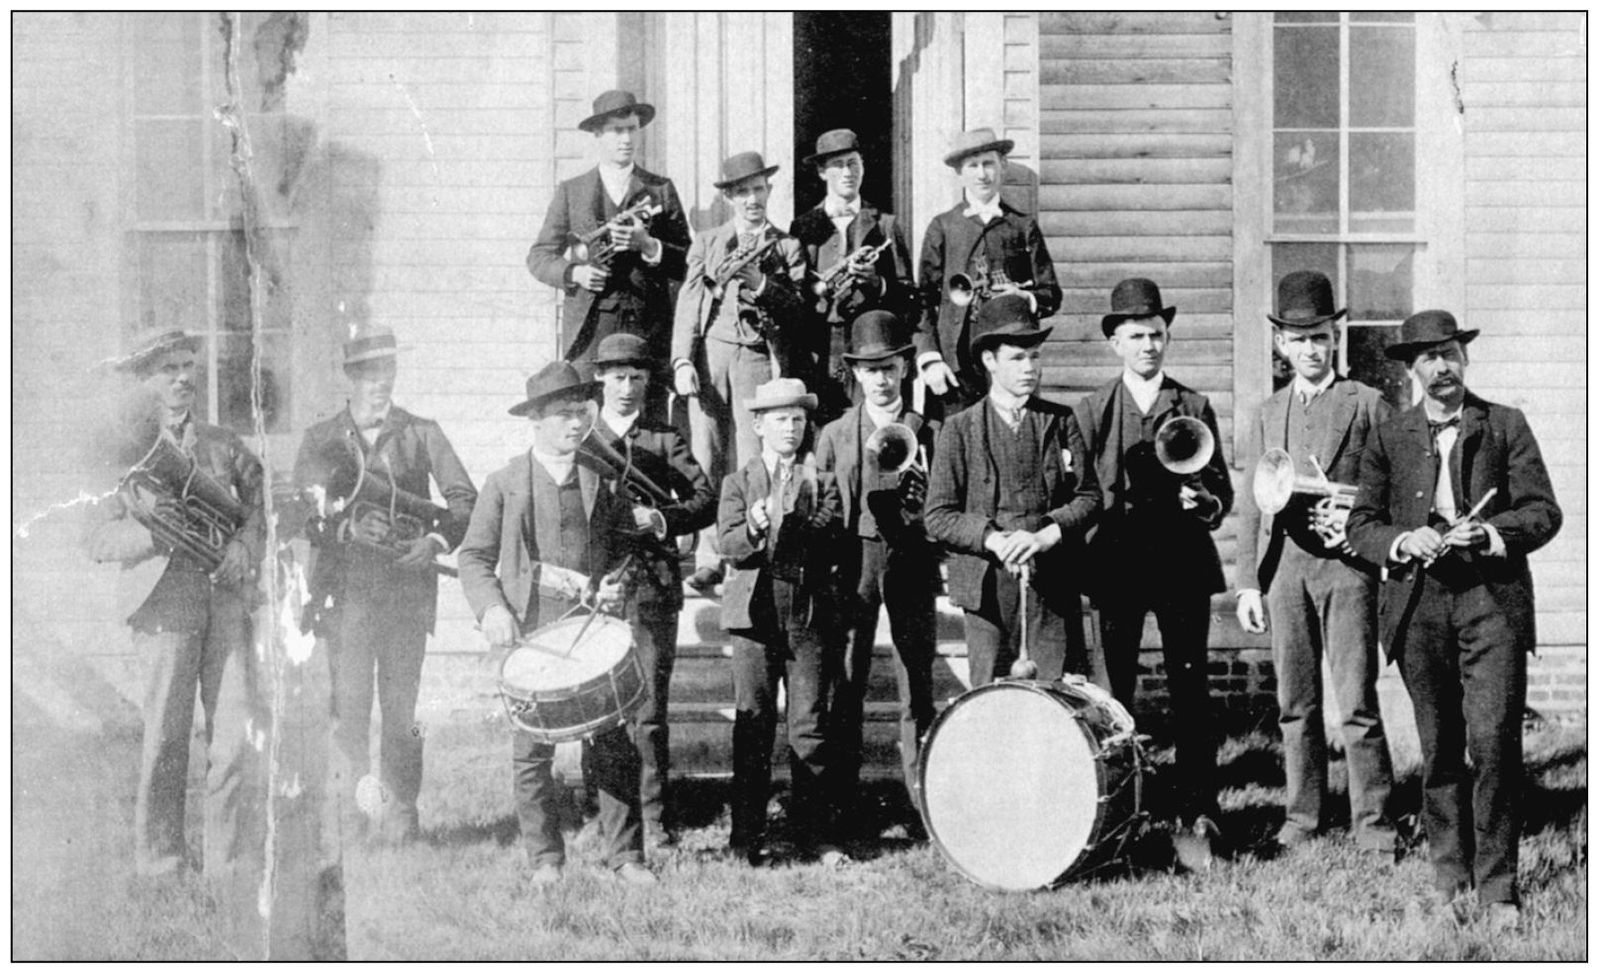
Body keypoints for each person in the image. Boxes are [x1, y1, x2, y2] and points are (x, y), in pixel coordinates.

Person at [1347, 310, 1560, 924]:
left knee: (1494, 744)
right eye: (1428, 358)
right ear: (1411, 370)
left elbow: (1544, 513)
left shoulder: (1505, 425)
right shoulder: (1389, 435)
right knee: (1440, 749)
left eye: (1450, 354)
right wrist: (1402, 540)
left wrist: (1491, 533)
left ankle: (1498, 888)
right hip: (1419, 607)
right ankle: (1448, 876)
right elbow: (1362, 525)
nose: (1441, 368)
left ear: (1464, 360)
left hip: (1490, 604)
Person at [458, 361, 656, 887]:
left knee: (614, 744)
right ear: (537, 421)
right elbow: (473, 558)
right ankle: (545, 859)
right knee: (531, 752)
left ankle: (627, 858)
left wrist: (618, 580)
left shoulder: (603, 479)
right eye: (565, 414)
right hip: (530, 630)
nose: (576, 423)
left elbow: (627, 549)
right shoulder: (504, 484)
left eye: (581, 412)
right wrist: (493, 610)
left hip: (592, 629)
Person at [83, 328, 266, 886]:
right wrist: (157, 537)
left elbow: (260, 509)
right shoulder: (116, 451)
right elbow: (94, 539)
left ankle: (227, 867)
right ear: (144, 381)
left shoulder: (224, 443)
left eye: (189, 365)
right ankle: (162, 866)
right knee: (165, 736)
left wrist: (242, 546)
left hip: (227, 599)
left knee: (234, 737)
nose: (184, 376)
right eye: (169, 369)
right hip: (164, 602)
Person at [1233, 271, 1397, 853]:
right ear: (1281, 344)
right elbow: (1253, 501)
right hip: (1285, 571)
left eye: (1320, 337)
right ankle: (1302, 819)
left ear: (1337, 338)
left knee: (1355, 701)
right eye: (1298, 338)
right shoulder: (1265, 411)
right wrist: (1248, 583)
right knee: (1294, 704)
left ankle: (1373, 823)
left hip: (1347, 570)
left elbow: (1394, 486)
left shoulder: (1368, 402)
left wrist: (1361, 529)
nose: (1310, 348)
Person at [293, 326, 477, 844]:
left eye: (387, 373)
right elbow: (301, 511)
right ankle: (353, 819)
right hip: (344, 599)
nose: (379, 384)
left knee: (405, 715)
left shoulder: (422, 432)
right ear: (350, 378)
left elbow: (466, 500)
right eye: (368, 374)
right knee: (348, 714)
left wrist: (436, 544)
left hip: (406, 597)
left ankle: (402, 816)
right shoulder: (321, 438)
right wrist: (342, 526)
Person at [1071, 278, 1233, 841]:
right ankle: (1121, 810)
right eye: (1137, 335)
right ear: (1115, 342)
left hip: (1182, 565)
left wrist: (1204, 501)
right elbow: (1081, 496)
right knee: (1114, 691)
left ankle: (1199, 810)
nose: (1149, 346)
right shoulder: (1092, 411)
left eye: (1157, 335)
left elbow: (1223, 496)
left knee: (1191, 689)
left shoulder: (1193, 405)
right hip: (1117, 565)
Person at [925, 295, 1101, 688]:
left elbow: (1089, 498)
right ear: (990, 360)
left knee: (1055, 697)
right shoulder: (960, 429)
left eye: (1035, 357)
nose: (1029, 368)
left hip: (1052, 585)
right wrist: (993, 539)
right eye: (1017, 358)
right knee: (991, 699)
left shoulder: (1060, 421)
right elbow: (938, 516)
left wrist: (1042, 537)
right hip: (987, 590)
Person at [584, 332, 717, 850]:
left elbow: (706, 497)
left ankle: (655, 820)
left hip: (653, 589)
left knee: (649, 711)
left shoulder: (664, 439)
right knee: (600, 707)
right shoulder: (583, 437)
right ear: (599, 379)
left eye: (637, 378)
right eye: (617, 377)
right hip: (597, 592)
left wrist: (661, 518)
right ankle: (603, 814)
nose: (626, 387)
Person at [814, 310, 938, 834]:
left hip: (908, 560)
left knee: (917, 684)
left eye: (888, 367)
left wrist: (923, 493)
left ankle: (922, 804)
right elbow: (819, 503)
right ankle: (844, 800)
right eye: (870, 369)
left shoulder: (927, 430)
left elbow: (943, 503)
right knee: (847, 680)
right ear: (856, 375)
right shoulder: (836, 433)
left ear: (905, 368)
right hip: (854, 561)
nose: (880, 379)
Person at [715, 377, 844, 865]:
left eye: (797, 419)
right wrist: (752, 526)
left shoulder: (823, 480)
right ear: (758, 425)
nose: (790, 428)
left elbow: (831, 539)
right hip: (754, 620)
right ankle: (746, 838)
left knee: (809, 727)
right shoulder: (738, 482)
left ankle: (816, 835)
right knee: (753, 728)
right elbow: (727, 545)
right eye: (779, 419)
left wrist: (801, 517)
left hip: (806, 617)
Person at [672, 151, 809, 592]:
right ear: (730, 197)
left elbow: (800, 310)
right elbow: (689, 306)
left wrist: (763, 284)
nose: (752, 199)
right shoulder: (708, 242)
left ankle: (748, 550)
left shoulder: (787, 245)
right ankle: (711, 555)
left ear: (768, 191)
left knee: (753, 458)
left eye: (758, 190)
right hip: (712, 356)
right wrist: (682, 360)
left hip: (755, 357)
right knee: (706, 455)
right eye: (743, 192)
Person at [528, 89, 691, 369]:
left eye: (632, 130)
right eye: (617, 131)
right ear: (598, 135)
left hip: (648, 326)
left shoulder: (661, 190)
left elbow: (688, 261)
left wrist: (649, 245)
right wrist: (575, 273)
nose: (626, 139)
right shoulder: (571, 191)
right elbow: (539, 257)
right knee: (590, 406)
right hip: (590, 327)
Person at [915, 128, 1060, 412]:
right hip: (954, 365)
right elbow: (923, 301)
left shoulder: (1022, 225)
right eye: (972, 166)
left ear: (1002, 166)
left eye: (988, 163)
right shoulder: (943, 227)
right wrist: (930, 359)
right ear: (960, 173)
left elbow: (1051, 294)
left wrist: (1024, 297)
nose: (982, 174)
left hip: (1008, 365)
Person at [788, 128, 917, 419]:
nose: (847, 172)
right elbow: (796, 292)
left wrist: (878, 284)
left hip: (872, 346)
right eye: (837, 165)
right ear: (822, 172)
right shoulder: (803, 226)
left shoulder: (886, 224)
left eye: (853, 163)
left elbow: (909, 295)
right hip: (822, 346)